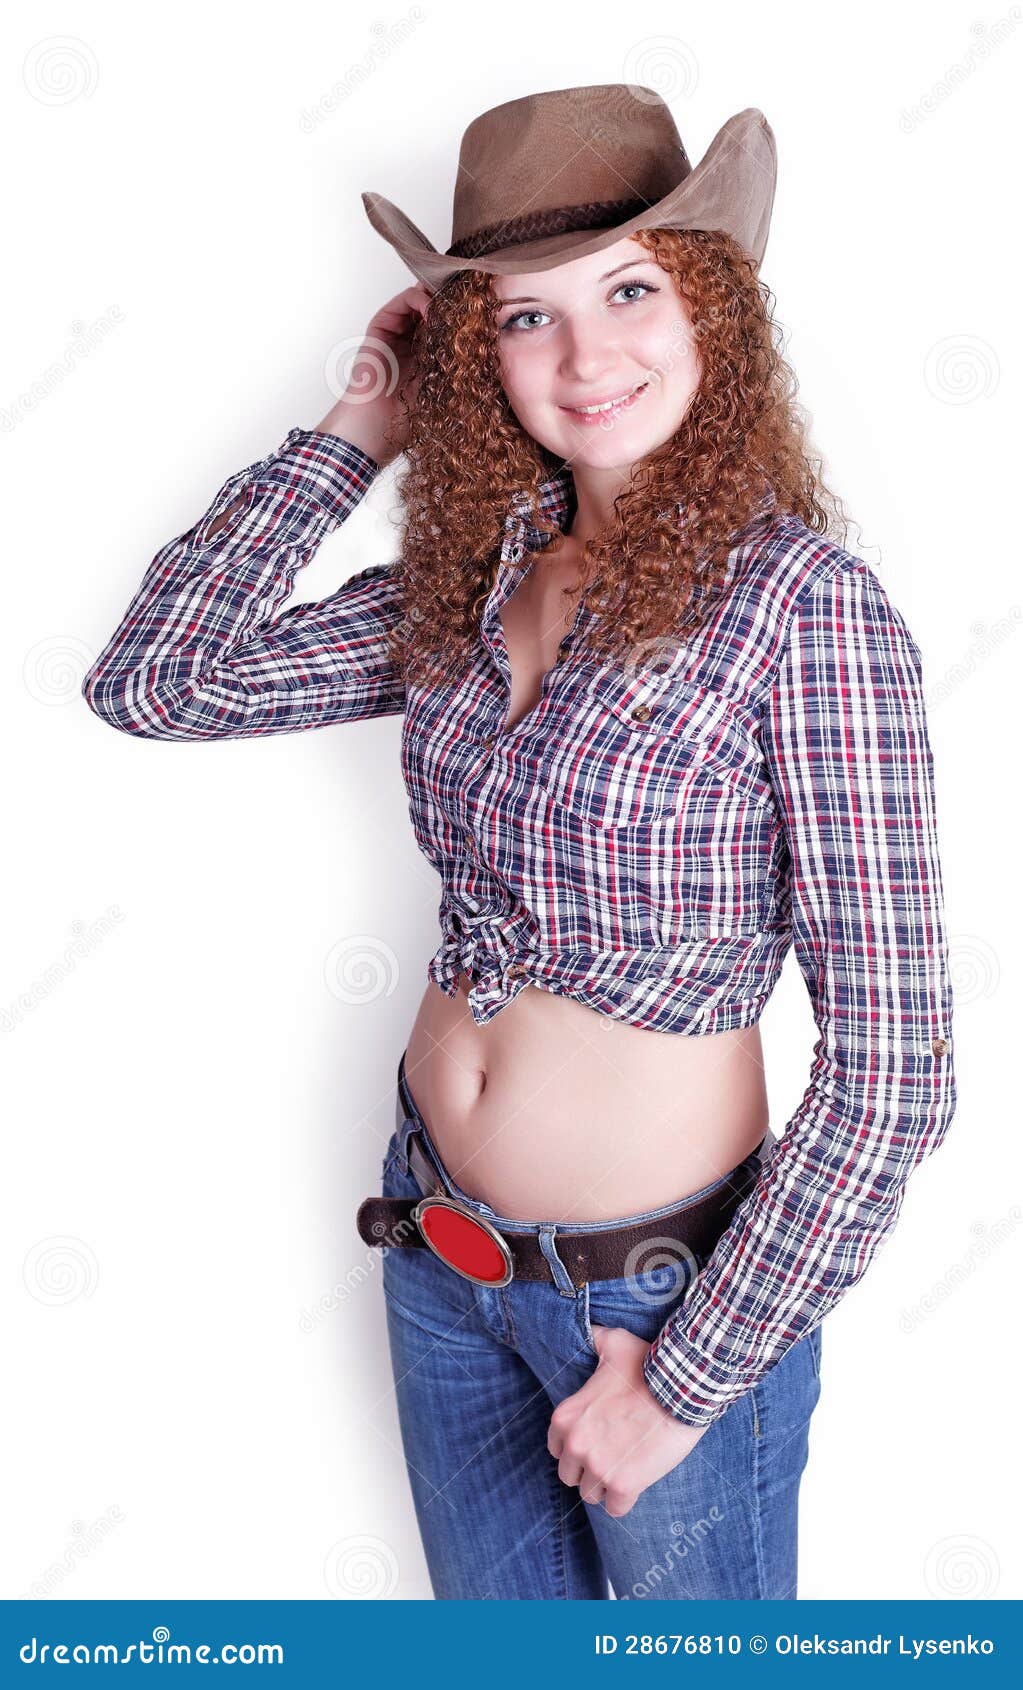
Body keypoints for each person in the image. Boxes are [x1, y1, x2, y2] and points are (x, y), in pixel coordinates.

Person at [82, 86, 957, 1600]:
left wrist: (682, 1382)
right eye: (525, 317)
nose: (585, 357)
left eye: (629, 292)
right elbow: (156, 682)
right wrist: (358, 429)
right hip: (438, 1252)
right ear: (477, 355)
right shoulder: (470, 582)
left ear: (712, 310)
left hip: (666, 1303)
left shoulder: (804, 608)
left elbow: (897, 1067)